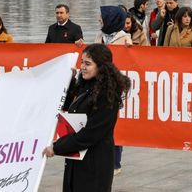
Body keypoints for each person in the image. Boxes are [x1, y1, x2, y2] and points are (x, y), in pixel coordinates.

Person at [43, 44, 131, 192]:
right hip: (77, 160)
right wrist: (69, 81)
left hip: (94, 163)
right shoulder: (86, 85)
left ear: (101, 67)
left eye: (88, 63)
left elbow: (90, 134)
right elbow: (67, 105)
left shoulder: (107, 95)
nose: (82, 66)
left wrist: (57, 147)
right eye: (82, 62)